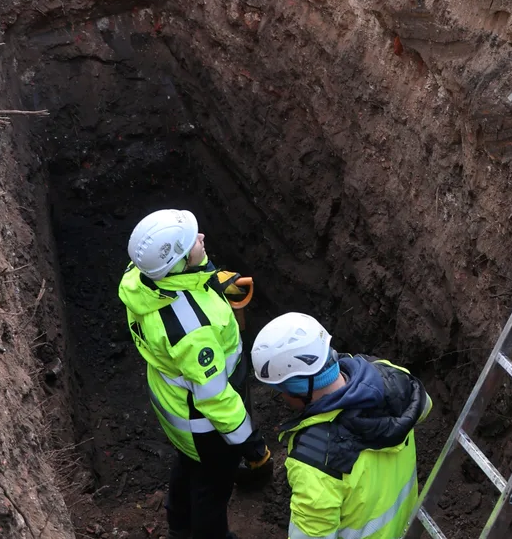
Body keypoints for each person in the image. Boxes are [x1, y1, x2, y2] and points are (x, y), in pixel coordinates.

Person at [118, 208, 271, 539]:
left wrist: (211, 282)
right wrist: (251, 444)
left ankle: (179, 526)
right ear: (179, 261)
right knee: (212, 488)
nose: (201, 237)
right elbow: (216, 398)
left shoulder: (141, 278)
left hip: (175, 408)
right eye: (192, 240)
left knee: (189, 467)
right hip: (206, 427)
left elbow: (182, 288)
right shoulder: (192, 332)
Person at [250, 312, 432, 539]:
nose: (282, 397)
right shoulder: (390, 376)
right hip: (404, 527)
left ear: (298, 388)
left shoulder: (315, 461)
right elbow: (424, 408)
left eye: (281, 390)